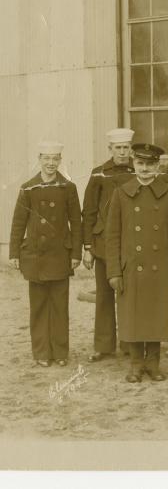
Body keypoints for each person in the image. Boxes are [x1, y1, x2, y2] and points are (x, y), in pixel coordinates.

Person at [103, 143, 168, 383]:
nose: (145, 169)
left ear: (158, 166)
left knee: (156, 315)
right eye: (140, 164)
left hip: (160, 267)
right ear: (134, 164)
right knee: (134, 316)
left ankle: (154, 364)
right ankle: (136, 365)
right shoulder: (121, 192)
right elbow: (112, 235)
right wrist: (114, 271)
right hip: (131, 268)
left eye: (150, 164)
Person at [10, 140, 81, 367]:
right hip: (35, 257)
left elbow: (76, 223)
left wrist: (76, 253)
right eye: (46, 159)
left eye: (55, 159)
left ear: (60, 161)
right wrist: (14, 253)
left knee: (60, 306)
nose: (51, 163)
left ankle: (60, 352)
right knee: (39, 307)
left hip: (60, 255)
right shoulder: (28, 187)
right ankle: (41, 352)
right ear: (39, 160)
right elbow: (18, 223)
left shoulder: (68, 187)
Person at [81, 127, 136, 363]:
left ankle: (129, 342)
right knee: (104, 295)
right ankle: (103, 346)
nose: (123, 152)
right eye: (118, 148)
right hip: (103, 245)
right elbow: (89, 212)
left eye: (126, 148)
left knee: (128, 293)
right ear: (110, 149)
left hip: (131, 243)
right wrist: (88, 247)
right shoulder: (99, 174)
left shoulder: (138, 170)